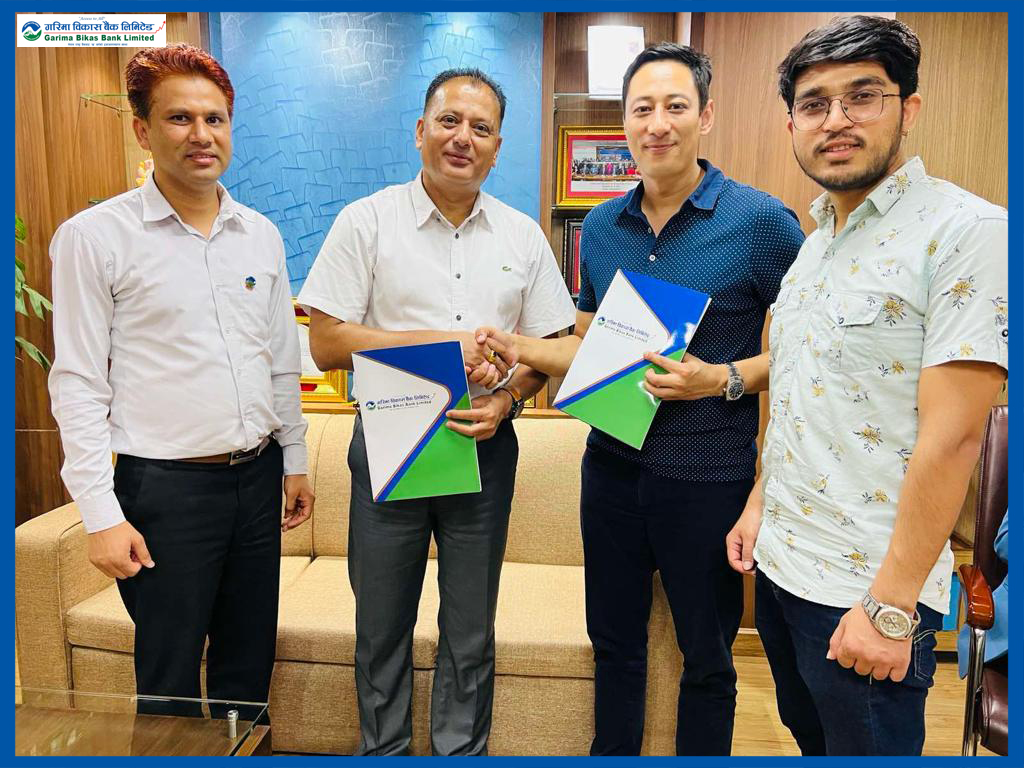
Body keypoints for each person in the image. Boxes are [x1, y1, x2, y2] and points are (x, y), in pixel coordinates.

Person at [476, 43, 804, 755]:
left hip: (709, 477)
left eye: (675, 106)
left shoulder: (761, 222)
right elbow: (589, 342)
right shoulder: (599, 227)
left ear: (704, 117)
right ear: (624, 122)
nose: (658, 123)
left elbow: (812, 349)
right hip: (611, 471)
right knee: (614, 646)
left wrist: (721, 377)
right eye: (642, 109)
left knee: (706, 659)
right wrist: (519, 348)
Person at [725, 15, 1008, 755]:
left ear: (908, 109)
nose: (836, 120)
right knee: (810, 740)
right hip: (784, 567)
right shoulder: (815, 244)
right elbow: (799, 391)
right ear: (792, 124)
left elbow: (955, 437)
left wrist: (890, 605)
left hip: (866, 589)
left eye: (862, 96)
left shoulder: (967, 230)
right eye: (815, 104)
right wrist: (759, 504)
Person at [296, 68, 576, 755]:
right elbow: (326, 342)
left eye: (481, 128)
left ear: (497, 148)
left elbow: (555, 347)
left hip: (484, 446)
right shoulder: (366, 221)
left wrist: (508, 399)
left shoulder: (521, 236)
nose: (463, 138)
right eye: (449, 121)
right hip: (390, 441)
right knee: (380, 627)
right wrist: (443, 344)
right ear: (421, 130)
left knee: (470, 632)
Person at [47, 44, 315, 720]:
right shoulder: (95, 237)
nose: (202, 135)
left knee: (247, 673)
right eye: (180, 118)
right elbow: (78, 383)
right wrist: (101, 515)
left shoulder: (259, 234)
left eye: (215, 119)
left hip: (256, 480)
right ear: (143, 130)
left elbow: (280, 359)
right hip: (166, 491)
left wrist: (295, 459)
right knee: (167, 682)